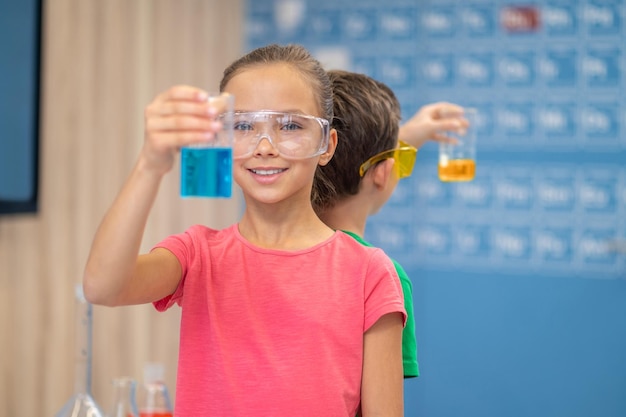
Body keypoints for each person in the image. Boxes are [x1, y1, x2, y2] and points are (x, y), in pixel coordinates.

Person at [82, 44, 406, 417]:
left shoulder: (370, 273)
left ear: (326, 144)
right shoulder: (197, 255)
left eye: (290, 126)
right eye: (243, 126)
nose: (264, 147)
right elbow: (102, 286)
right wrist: (150, 164)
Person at [313, 70, 470, 379]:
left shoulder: (275, 249)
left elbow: (374, 170)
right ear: (384, 173)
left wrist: (405, 139)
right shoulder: (382, 276)